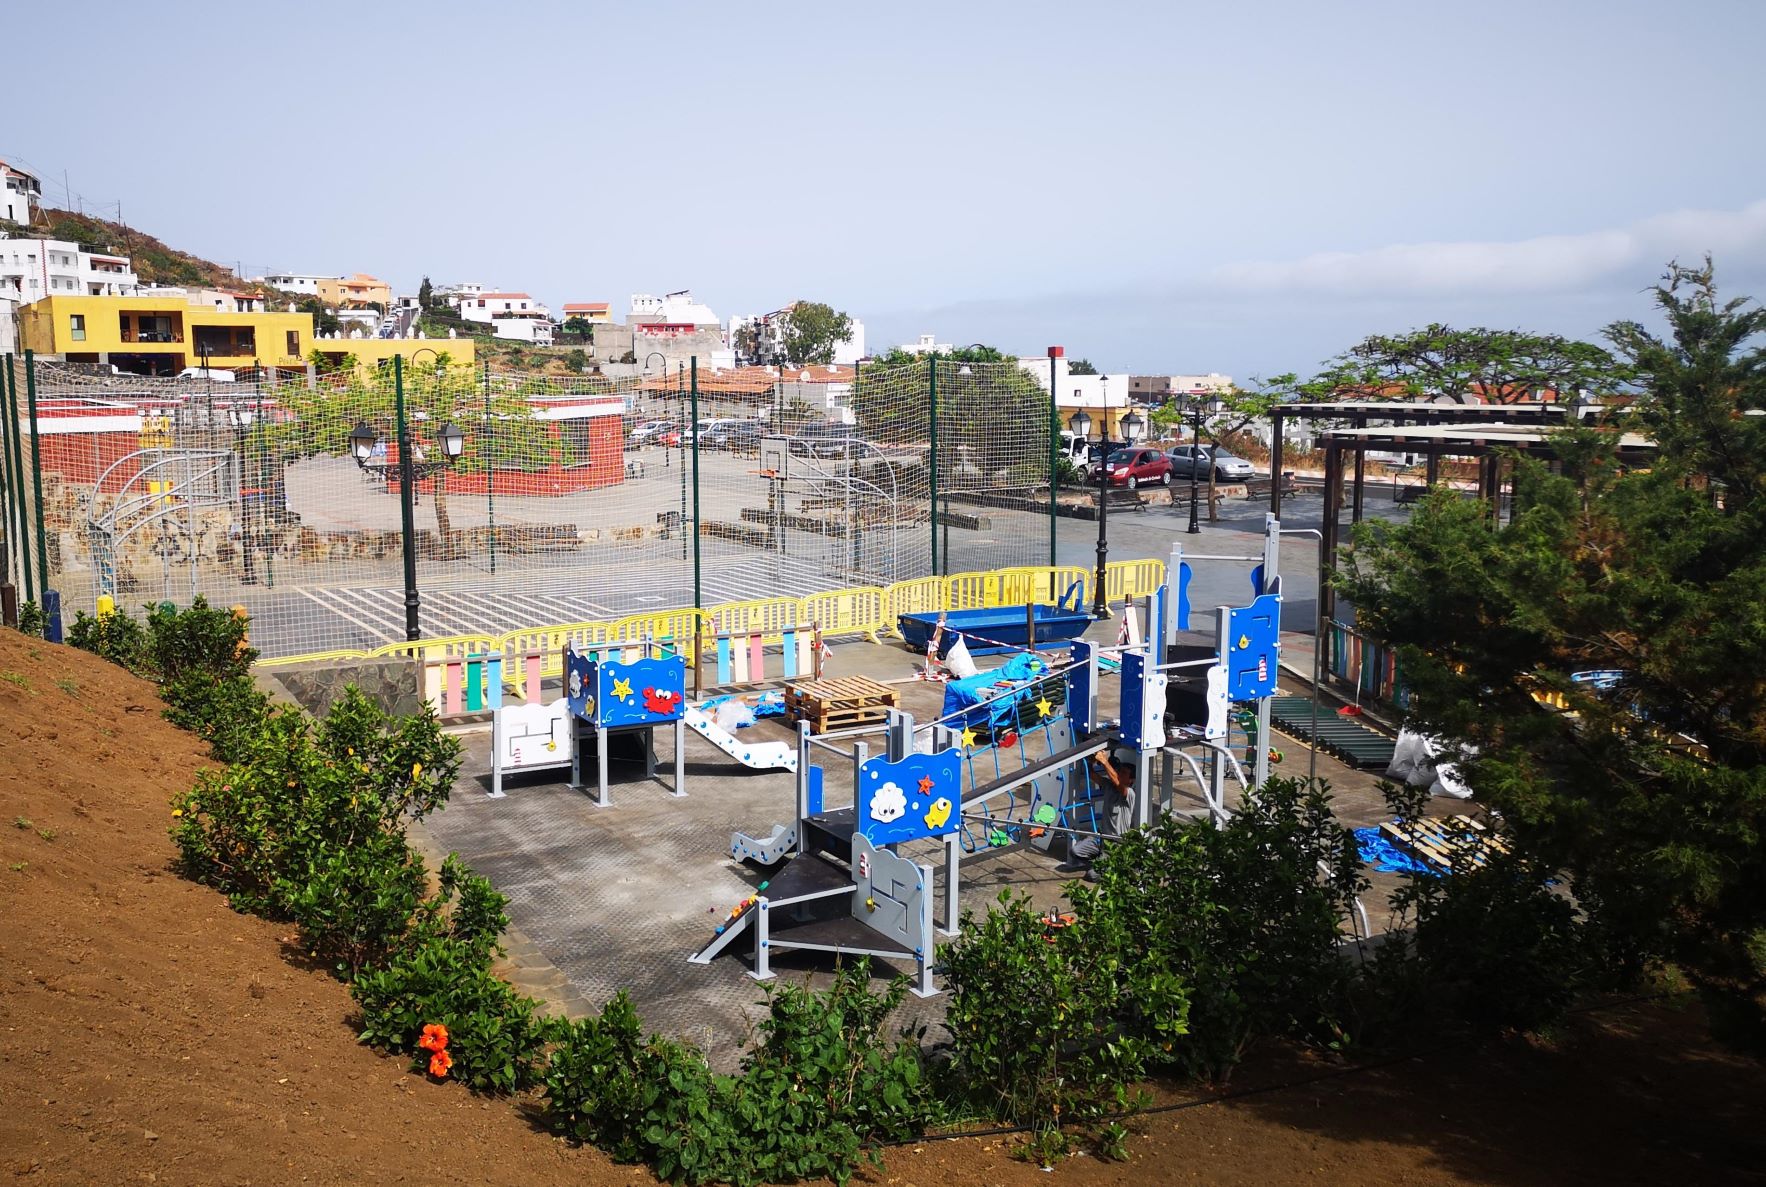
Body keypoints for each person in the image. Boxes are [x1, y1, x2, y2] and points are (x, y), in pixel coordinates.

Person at [1056, 739, 1135, 881]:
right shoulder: (1110, 786)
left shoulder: (1129, 793)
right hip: (1102, 838)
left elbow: (1119, 784)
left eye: (1124, 773)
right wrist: (1090, 761)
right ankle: (1101, 862)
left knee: (1091, 876)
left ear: (1131, 780)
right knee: (1075, 851)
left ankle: (1110, 865)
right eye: (1120, 771)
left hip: (1117, 843)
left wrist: (1105, 762)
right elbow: (1094, 776)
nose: (1120, 774)